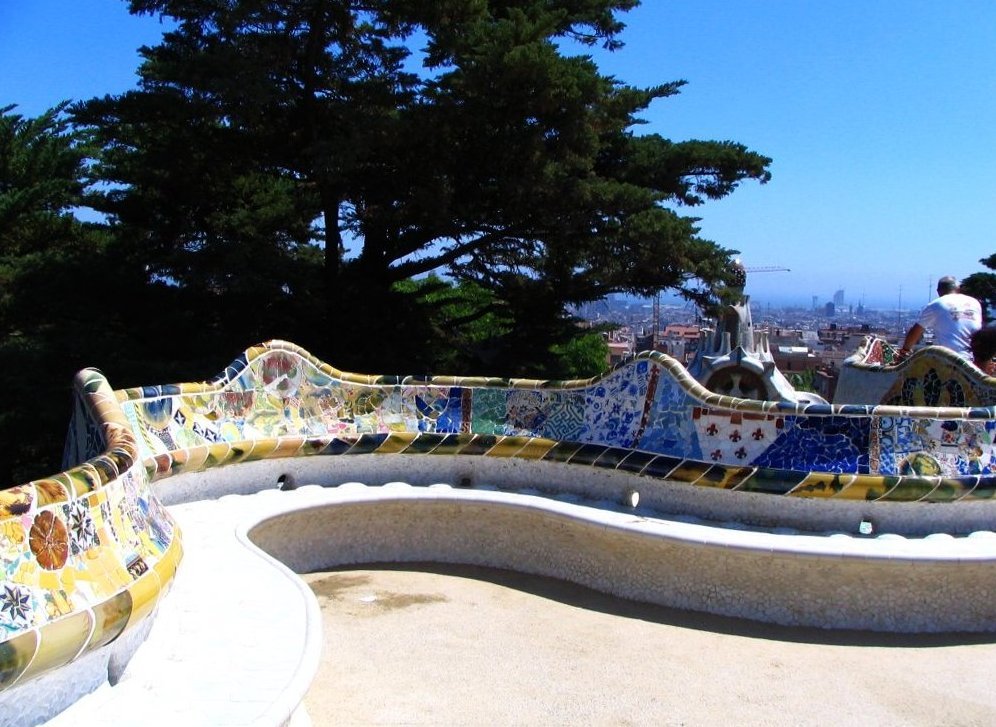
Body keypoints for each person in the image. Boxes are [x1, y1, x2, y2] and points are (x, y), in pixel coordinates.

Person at [897, 276, 982, 360]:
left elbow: (916, 331)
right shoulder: (975, 303)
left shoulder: (936, 304)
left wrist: (905, 350)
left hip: (953, 359)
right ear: (958, 289)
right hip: (978, 359)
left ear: (938, 291)